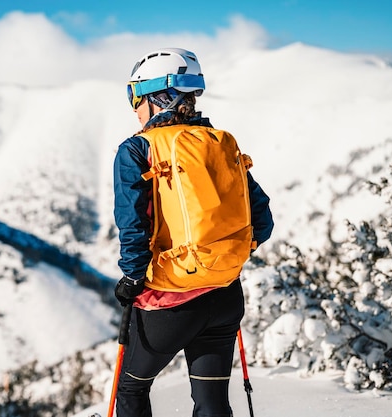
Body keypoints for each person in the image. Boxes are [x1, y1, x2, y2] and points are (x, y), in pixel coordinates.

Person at [112, 47, 274, 417]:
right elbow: (262, 222)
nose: (133, 107)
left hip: (169, 303)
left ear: (156, 97)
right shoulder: (220, 143)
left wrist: (131, 278)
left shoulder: (137, 149)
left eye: (134, 95)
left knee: (132, 388)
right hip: (226, 294)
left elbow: (133, 226)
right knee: (212, 402)